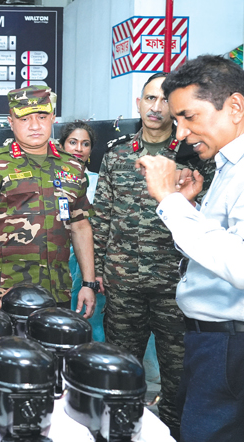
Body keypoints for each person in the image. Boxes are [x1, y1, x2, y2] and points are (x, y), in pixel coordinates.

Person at [92, 72, 216, 438]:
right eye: (149, 99)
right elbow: (102, 217)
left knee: (178, 375)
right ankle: (116, 431)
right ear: (138, 104)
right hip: (123, 283)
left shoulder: (195, 158)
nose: (156, 107)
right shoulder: (117, 155)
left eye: (164, 100)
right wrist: (96, 271)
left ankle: (173, 432)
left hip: (175, 287)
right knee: (119, 370)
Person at [136, 55, 244, 442]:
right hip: (214, 341)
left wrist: (170, 200)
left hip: (230, 345)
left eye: (189, 117)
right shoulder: (229, 164)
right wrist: (191, 208)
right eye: (176, 120)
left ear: (234, 106)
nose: (179, 132)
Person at [0, 85, 96, 317]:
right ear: (11, 122)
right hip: (8, 292)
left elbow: (80, 226)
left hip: (58, 291)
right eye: (25, 118)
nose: (35, 125)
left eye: (41, 116)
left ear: (53, 118)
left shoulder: (73, 167)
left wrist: (88, 284)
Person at [59, 121, 105, 342]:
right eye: (73, 142)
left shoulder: (100, 181)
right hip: (60, 256)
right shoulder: (51, 180)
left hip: (90, 258)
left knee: (91, 317)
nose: (79, 148)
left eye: (85, 144)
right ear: (61, 146)